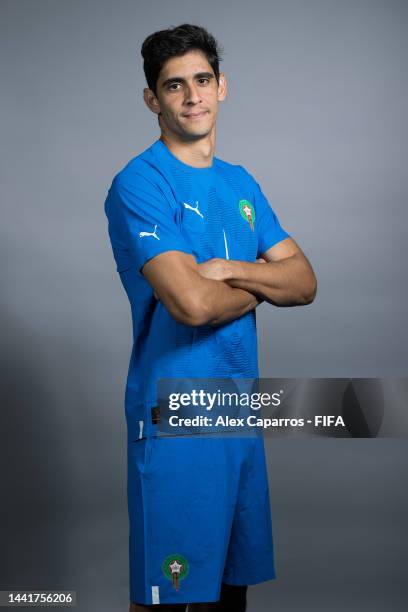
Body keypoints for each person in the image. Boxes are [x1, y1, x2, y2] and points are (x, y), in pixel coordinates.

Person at [104, 23, 317, 612]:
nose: (192, 96)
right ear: (153, 99)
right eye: (174, 86)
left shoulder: (241, 182)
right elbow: (191, 303)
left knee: (229, 598)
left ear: (222, 86)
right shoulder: (140, 183)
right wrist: (260, 282)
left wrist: (228, 268)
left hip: (239, 418)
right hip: (176, 420)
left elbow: (305, 283)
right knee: (174, 602)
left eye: (202, 80)